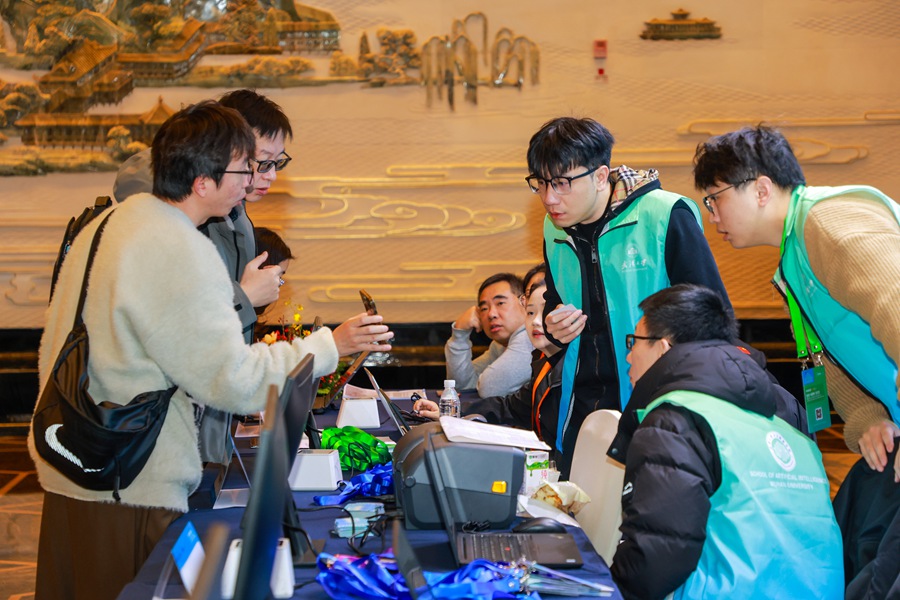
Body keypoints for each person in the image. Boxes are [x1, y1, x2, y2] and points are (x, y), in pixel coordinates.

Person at [27, 102, 392, 600]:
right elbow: (233, 379)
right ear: (203, 182)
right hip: (130, 475)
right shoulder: (175, 246)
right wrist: (330, 346)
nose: (253, 181)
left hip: (79, 450)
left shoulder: (110, 222)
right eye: (245, 168)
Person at [115, 89, 390, 465]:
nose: (269, 176)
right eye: (259, 162)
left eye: (278, 162)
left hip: (207, 413)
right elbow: (177, 322)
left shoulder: (232, 213)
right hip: (162, 429)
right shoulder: (167, 218)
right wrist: (244, 296)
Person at [692, 124, 900, 591]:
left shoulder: (831, 223)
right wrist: (867, 418)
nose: (712, 216)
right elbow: (824, 358)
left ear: (761, 189)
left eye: (715, 199)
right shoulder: (793, 258)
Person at [609, 284, 843, 600]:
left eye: (633, 341)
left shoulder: (675, 419)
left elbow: (656, 557)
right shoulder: (788, 411)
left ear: (663, 348)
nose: (628, 355)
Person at [526, 116, 731, 476]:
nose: (549, 198)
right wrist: (555, 325)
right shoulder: (554, 228)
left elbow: (714, 318)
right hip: (581, 406)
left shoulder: (665, 214)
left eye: (561, 183)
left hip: (654, 402)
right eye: (540, 184)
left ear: (600, 176)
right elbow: (557, 301)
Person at [418, 265, 566, 456]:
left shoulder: (572, 362)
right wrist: (450, 413)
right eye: (530, 312)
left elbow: (489, 388)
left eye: (500, 303)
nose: (536, 321)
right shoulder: (542, 359)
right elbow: (509, 407)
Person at [444, 272, 533, 398]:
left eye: (500, 303)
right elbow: (463, 385)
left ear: (524, 303)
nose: (491, 314)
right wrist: (460, 334)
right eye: (484, 308)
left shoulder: (530, 339)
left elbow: (489, 389)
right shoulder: (499, 345)